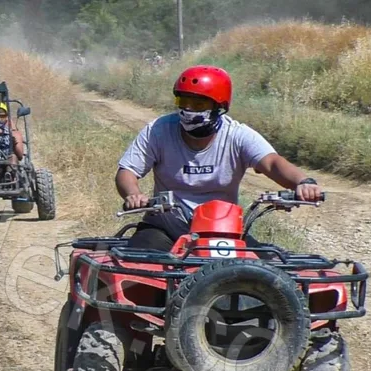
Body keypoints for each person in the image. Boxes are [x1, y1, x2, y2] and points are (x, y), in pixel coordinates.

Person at [115, 65, 323, 253]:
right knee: (139, 269)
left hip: (224, 232)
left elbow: (272, 162)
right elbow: (127, 171)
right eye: (183, 101)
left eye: (197, 103)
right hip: (164, 228)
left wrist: (303, 183)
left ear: (218, 106)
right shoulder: (158, 131)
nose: (188, 109)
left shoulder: (237, 134)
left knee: (269, 272)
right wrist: (133, 195)